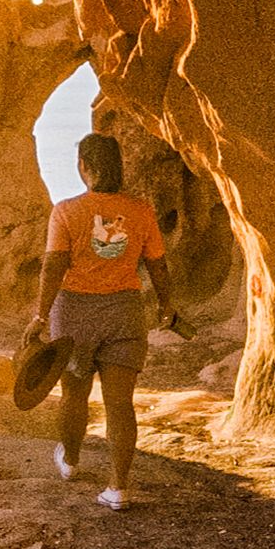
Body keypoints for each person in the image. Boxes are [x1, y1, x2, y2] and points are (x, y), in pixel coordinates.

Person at [31, 132, 179, 510]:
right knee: (119, 405)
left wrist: (40, 315)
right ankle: (118, 487)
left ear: (84, 167)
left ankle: (72, 461)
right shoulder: (141, 211)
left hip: (75, 312)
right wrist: (166, 305)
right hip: (123, 313)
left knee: (74, 396)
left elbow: (53, 267)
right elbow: (157, 265)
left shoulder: (66, 211)